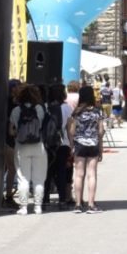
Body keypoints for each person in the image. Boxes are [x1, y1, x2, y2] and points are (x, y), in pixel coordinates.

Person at [9, 84, 48, 215]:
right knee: (39, 178)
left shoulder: (16, 111)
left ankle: (23, 207)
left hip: (21, 147)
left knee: (23, 178)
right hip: (38, 146)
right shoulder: (40, 109)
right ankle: (38, 206)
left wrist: (19, 133)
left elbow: (11, 131)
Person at [68, 84, 105, 213]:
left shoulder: (76, 112)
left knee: (79, 175)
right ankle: (91, 204)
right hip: (93, 144)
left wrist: (72, 145)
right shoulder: (98, 111)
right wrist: (101, 147)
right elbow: (100, 131)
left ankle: (78, 204)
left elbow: (72, 131)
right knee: (92, 174)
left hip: (79, 144)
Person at [44, 81, 76, 210]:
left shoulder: (45, 107)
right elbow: (70, 129)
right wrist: (71, 145)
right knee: (61, 172)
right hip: (63, 143)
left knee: (47, 171)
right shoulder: (67, 108)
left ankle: (45, 199)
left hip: (47, 144)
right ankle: (62, 199)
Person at [1, 79, 23, 209]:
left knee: (5, 168)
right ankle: (8, 196)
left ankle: (2, 195)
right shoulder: (14, 103)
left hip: (3, 136)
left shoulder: (4, 101)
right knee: (11, 168)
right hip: (9, 138)